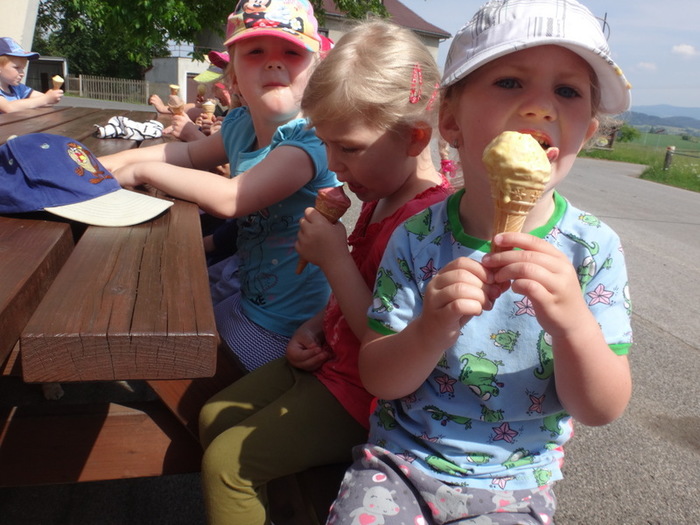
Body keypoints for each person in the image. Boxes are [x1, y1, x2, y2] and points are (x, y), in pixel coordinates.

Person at [324, 1, 634, 523]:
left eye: (568, 91)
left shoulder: (593, 250)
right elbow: (378, 377)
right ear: (451, 121)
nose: (540, 107)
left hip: (518, 483)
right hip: (403, 462)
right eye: (510, 82)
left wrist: (574, 326)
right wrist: (430, 330)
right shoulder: (417, 237)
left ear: (586, 132)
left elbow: (602, 408)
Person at [197, 19, 453, 525]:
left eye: (349, 148)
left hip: (365, 395)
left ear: (414, 138)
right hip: (330, 361)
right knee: (210, 416)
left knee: (226, 466)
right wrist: (316, 324)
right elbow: (363, 288)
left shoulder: (427, 225)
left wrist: (332, 259)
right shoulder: (380, 197)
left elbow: (391, 341)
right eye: (327, 145)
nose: (335, 165)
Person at [100, 0, 338, 373]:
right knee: (159, 305)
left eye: (291, 52)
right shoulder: (240, 124)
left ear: (316, 75)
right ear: (233, 78)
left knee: (170, 351)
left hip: (286, 324)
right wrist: (107, 164)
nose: (273, 63)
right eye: (256, 52)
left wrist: (142, 171)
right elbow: (187, 154)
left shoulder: (309, 141)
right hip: (247, 288)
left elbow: (232, 198)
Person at [0, 37, 63, 113]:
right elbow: (8, 108)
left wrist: (52, 96)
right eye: (16, 68)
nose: (22, 73)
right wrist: (46, 99)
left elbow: (42, 98)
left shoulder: (17, 88)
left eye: (23, 68)